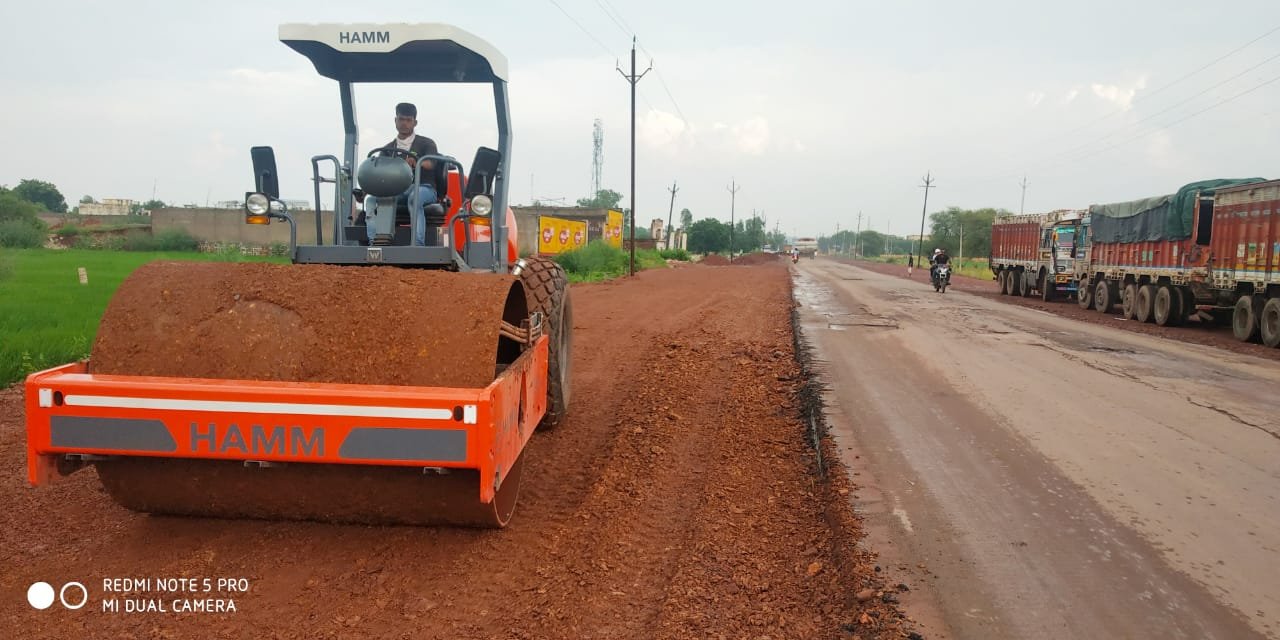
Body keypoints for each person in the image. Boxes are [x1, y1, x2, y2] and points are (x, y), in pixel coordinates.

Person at [362, 102, 440, 245]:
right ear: (395, 121)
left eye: (408, 120)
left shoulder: (426, 143)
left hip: (424, 188)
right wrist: (366, 188)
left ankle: (417, 245)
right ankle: (375, 243)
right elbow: (378, 173)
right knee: (371, 200)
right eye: (401, 119)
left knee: (414, 197)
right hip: (397, 190)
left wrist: (418, 162)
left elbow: (431, 163)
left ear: (415, 122)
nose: (404, 123)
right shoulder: (387, 149)